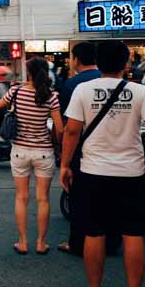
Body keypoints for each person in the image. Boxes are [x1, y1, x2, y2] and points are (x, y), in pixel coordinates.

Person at [60, 40, 145, 287]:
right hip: (131, 173)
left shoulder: (83, 89)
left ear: (98, 62)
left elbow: (71, 131)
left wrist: (65, 165)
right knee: (133, 234)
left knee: (94, 233)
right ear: (126, 64)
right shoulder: (140, 91)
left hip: (93, 172)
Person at [0, 57, 63, 255]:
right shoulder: (51, 96)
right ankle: (41, 243)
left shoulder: (16, 91)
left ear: (29, 73)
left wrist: (17, 91)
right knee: (43, 199)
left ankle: (23, 242)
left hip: (20, 151)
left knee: (21, 197)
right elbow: (60, 129)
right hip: (43, 152)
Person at [56, 41, 103, 256]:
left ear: (77, 59)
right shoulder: (114, 80)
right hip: (116, 150)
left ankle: (76, 243)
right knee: (111, 201)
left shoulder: (72, 84)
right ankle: (110, 241)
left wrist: (64, 161)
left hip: (83, 151)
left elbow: (69, 127)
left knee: (79, 200)